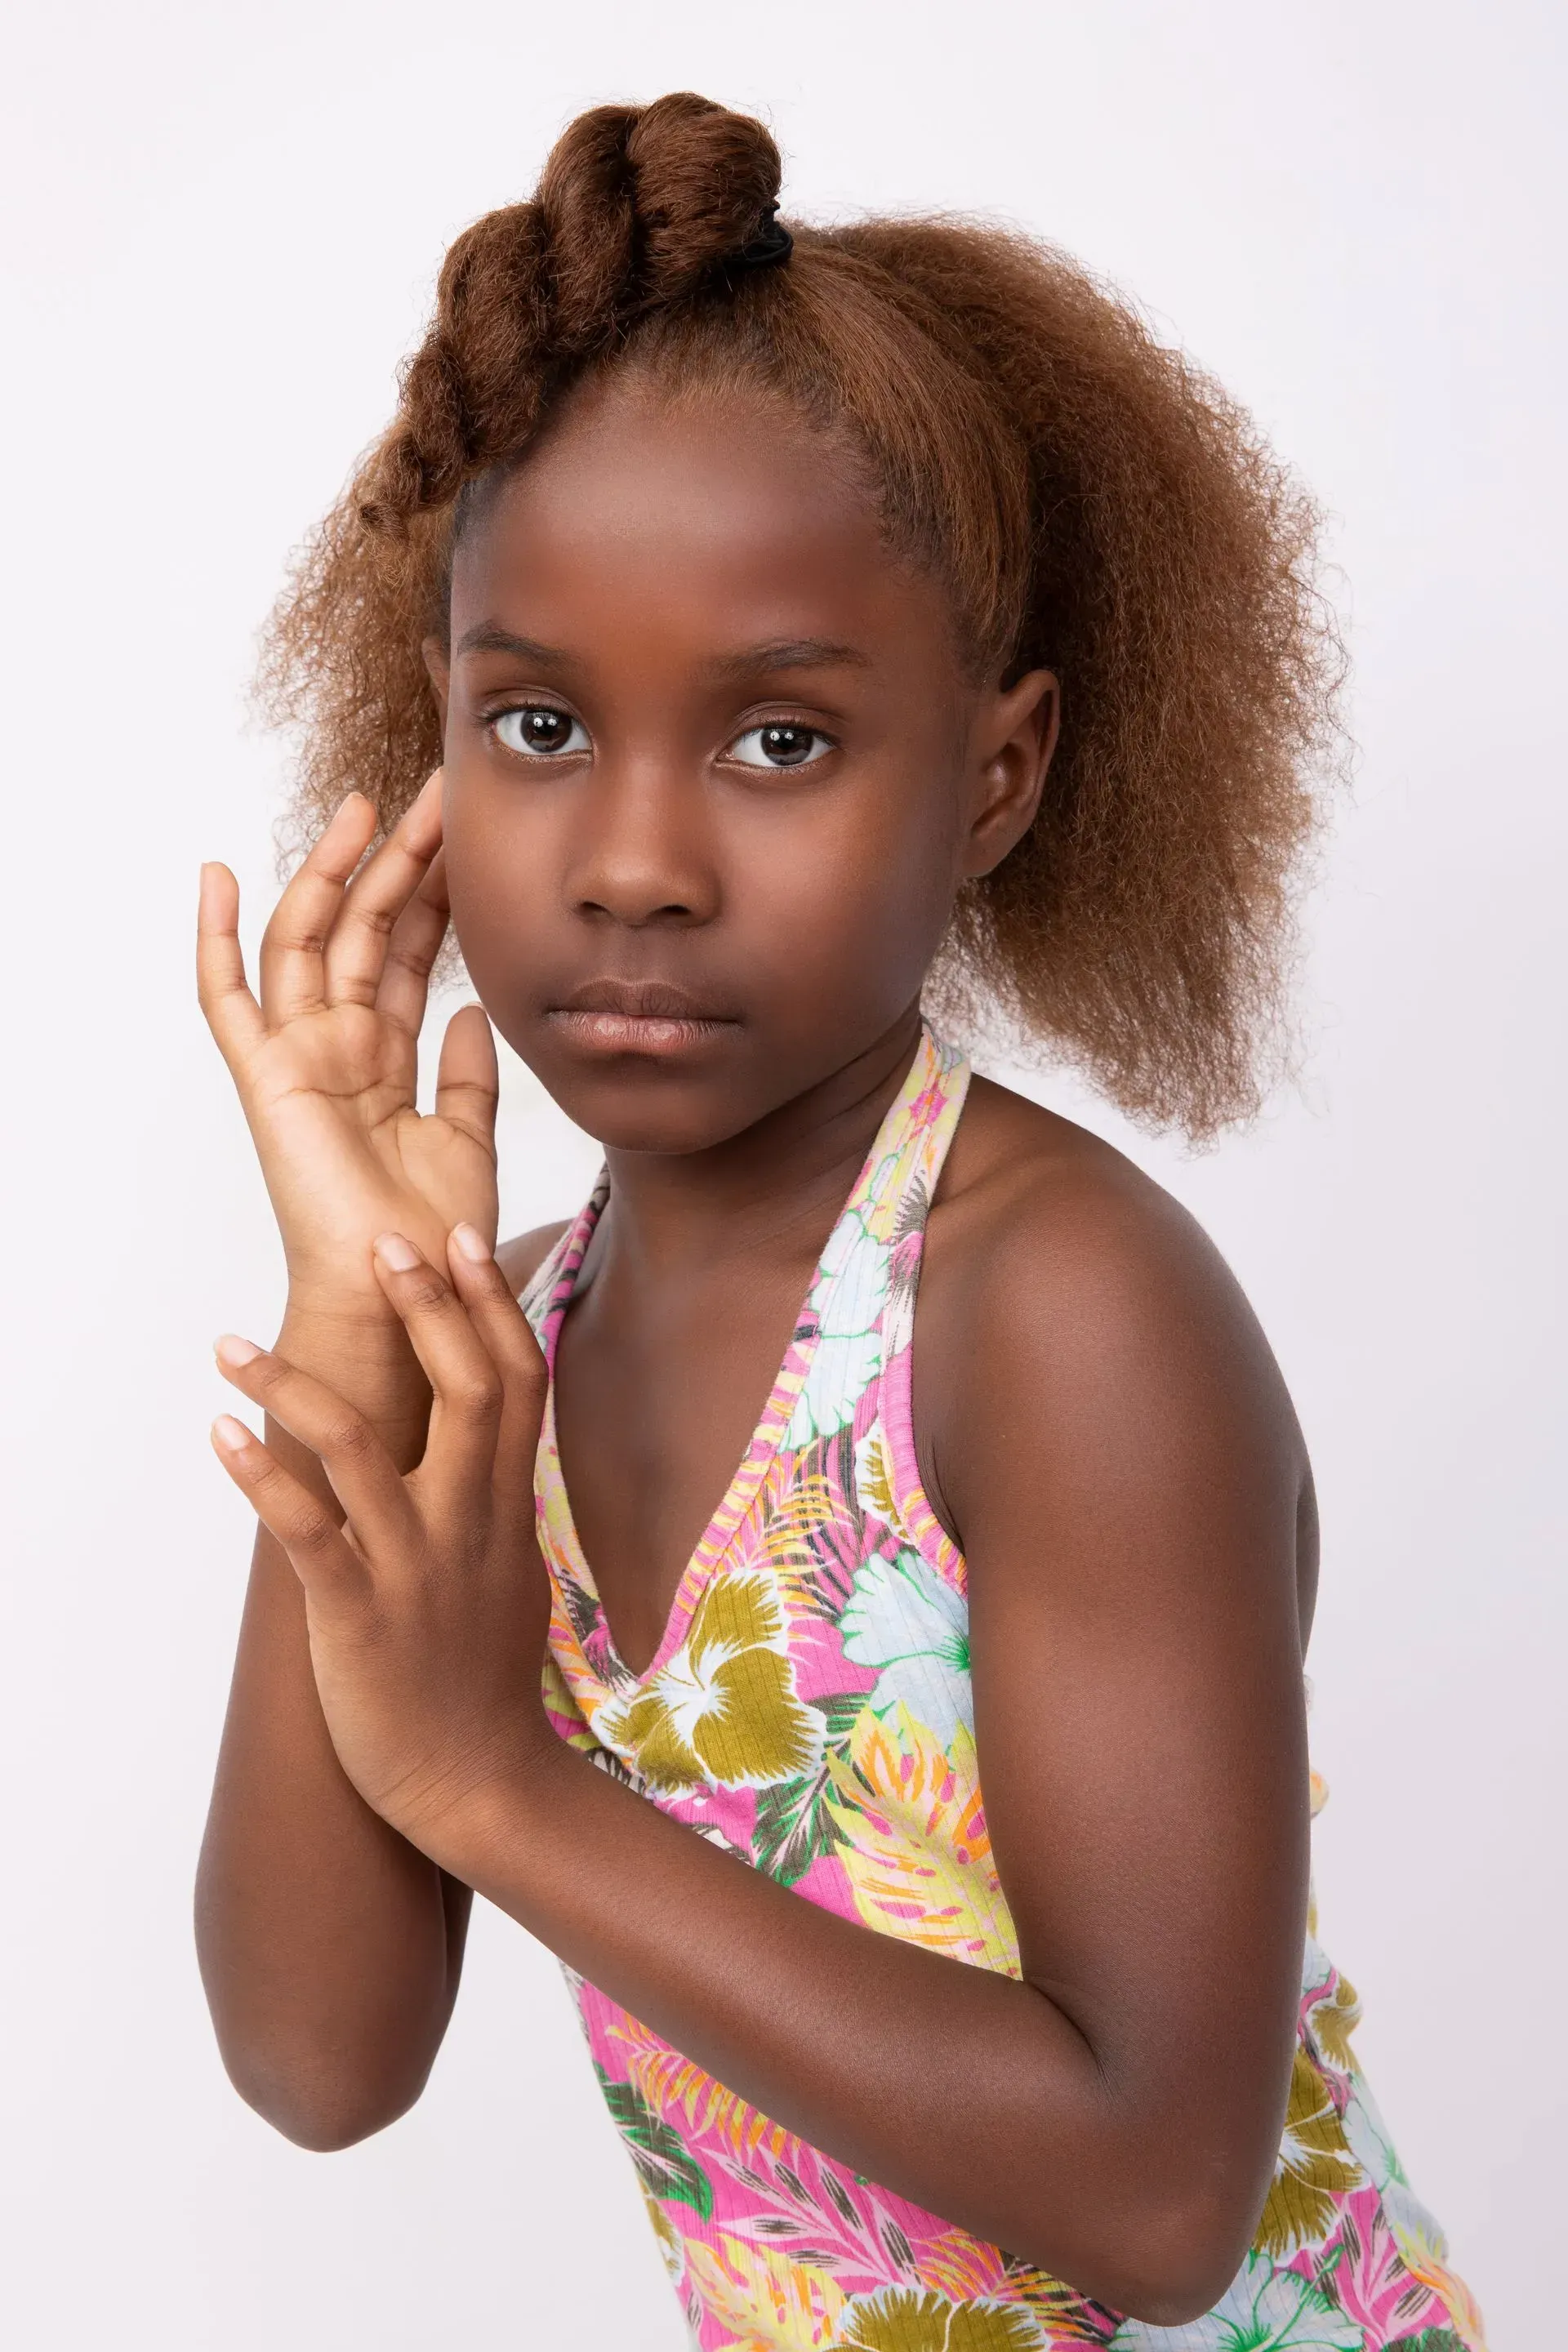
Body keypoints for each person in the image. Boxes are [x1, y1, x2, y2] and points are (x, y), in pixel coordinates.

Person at [194, 91, 1485, 2352]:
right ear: (435, 740)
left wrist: (499, 1782)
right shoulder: (499, 1344)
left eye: (779, 742)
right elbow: (319, 2064)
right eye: (536, 725)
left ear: (992, 776)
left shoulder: (1052, 1308)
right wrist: (357, 1320)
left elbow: (1159, 2196)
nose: (634, 861)